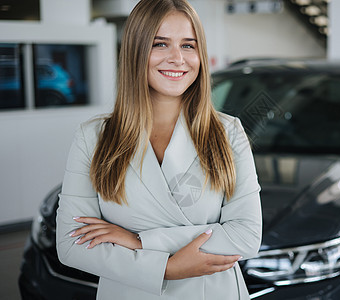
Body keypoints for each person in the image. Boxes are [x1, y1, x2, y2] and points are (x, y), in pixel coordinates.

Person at [55, 0, 262, 299]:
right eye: (160, 44)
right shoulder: (94, 137)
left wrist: (138, 242)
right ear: (135, 51)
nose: (178, 58)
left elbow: (246, 235)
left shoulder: (228, 132)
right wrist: (168, 269)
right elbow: (72, 245)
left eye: (189, 46)